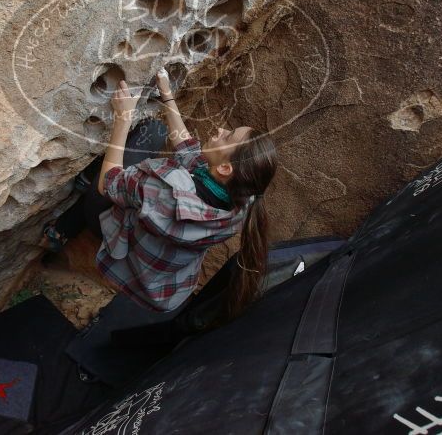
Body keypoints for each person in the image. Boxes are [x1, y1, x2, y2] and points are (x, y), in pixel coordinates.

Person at [41, 69, 277, 319]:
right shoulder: (242, 202)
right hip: (160, 275)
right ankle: (79, 201)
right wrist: (166, 93)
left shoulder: (165, 191)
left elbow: (110, 183)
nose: (220, 129)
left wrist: (123, 119)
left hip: (123, 246)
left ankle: (68, 221)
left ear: (225, 168)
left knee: (142, 140)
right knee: (153, 138)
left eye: (228, 136)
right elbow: (188, 150)